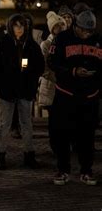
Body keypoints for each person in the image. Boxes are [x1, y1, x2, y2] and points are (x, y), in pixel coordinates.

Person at [48, 10, 100, 186]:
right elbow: (52, 62)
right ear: (76, 26)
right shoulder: (62, 39)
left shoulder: (97, 40)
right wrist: (73, 71)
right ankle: (63, 170)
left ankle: (86, 171)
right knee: (62, 135)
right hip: (66, 96)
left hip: (89, 97)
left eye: (89, 31)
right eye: (84, 30)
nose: (86, 34)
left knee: (87, 136)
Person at [0, 14, 44, 170]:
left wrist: (31, 79)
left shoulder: (31, 45)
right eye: (16, 25)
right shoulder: (2, 45)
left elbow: (40, 66)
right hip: (7, 91)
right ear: (10, 27)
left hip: (25, 90)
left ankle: (29, 155)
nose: (19, 29)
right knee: (4, 124)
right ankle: (0, 155)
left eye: (22, 26)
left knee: (26, 123)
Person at [38, 12, 67, 151]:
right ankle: (56, 146)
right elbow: (42, 68)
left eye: (62, 24)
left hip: (66, 87)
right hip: (51, 87)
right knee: (54, 120)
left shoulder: (68, 42)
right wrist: (57, 77)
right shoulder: (46, 45)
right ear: (51, 28)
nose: (61, 27)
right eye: (57, 25)